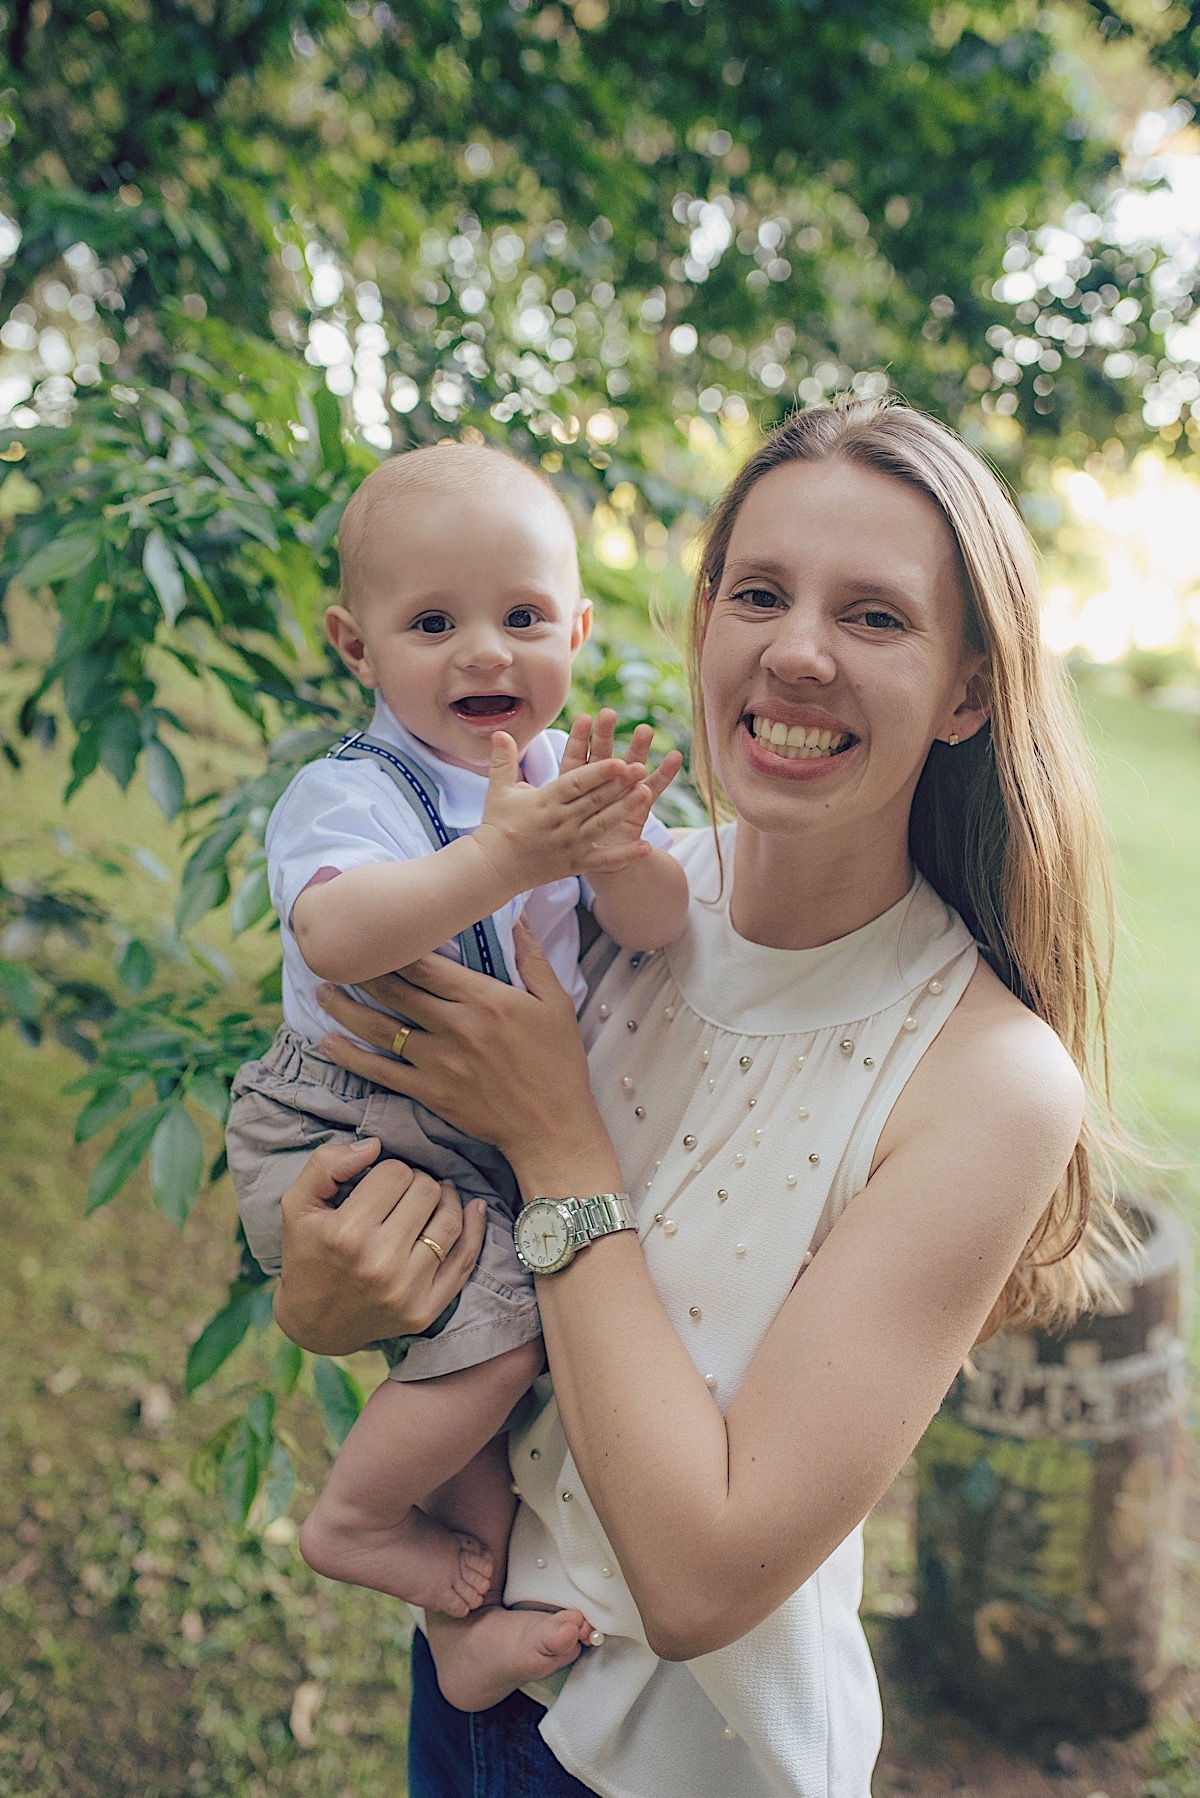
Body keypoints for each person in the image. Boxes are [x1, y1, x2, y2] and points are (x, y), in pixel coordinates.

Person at [268, 398, 1128, 1797]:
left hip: (671, 1763)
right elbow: (395, 1232)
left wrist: (557, 1136)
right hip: (473, 1678)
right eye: (761, 593)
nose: (798, 651)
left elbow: (698, 1582)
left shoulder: (987, 1078)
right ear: (707, 617)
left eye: (875, 616)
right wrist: (323, 1290)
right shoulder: (604, 892)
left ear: (970, 693)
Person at [225, 443, 689, 1701]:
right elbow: (336, 933)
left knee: (475, 1361)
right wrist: (501, 860)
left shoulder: (561, 779)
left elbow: (655, 928)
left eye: (523, 617)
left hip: (460, 1126)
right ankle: (354, 1521)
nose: (485, 652)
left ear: (577, 632)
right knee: (503, 1335)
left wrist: (621, 852)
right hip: (343, 1120)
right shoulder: (348, 791)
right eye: (433, 623)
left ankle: (461, 1621)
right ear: (356, 646)